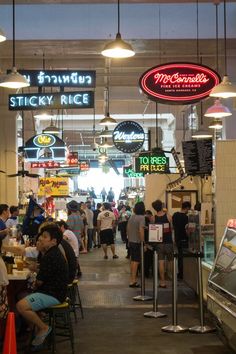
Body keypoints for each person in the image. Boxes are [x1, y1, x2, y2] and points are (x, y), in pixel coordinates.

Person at [16, 224, 69, 348]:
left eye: (45, 237)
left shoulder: (51, 256)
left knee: (21, 305)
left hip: (54, 295)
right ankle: (33, 331)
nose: (41, 239)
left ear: (54, 241)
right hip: (55, 292)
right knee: (21, 295)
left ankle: (43, 328)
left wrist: (34, 281)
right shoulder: (52, 253)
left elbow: (39, 282)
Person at [152, 199, 173, 288]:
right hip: (168, 242)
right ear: (161, 206)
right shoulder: (168, 216)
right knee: (171, 261)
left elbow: (152, 230)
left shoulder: (153, 218)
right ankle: (173, 279)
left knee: (160, 262)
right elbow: (172, 228)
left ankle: (163, 282)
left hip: (159, 243)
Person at [127, 201, 146, 287]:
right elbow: (141, 231)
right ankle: (133, 281)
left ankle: (132, 279)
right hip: (137, 242)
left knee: (133, 260)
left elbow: (128, 228)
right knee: (136, 261)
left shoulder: (132, 216)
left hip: (131, 241)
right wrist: (143, 242)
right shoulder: (142, 218)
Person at [172, 201, 191, 280]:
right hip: (184, 239)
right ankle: (183, 274)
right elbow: (188, 230)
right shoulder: (186, 218)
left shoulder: (175, 215)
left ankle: (180, 273)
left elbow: (173, 227)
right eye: (188, 209)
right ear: (186, 208)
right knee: (184, 257)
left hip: (177, 239)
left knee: (180, 257)